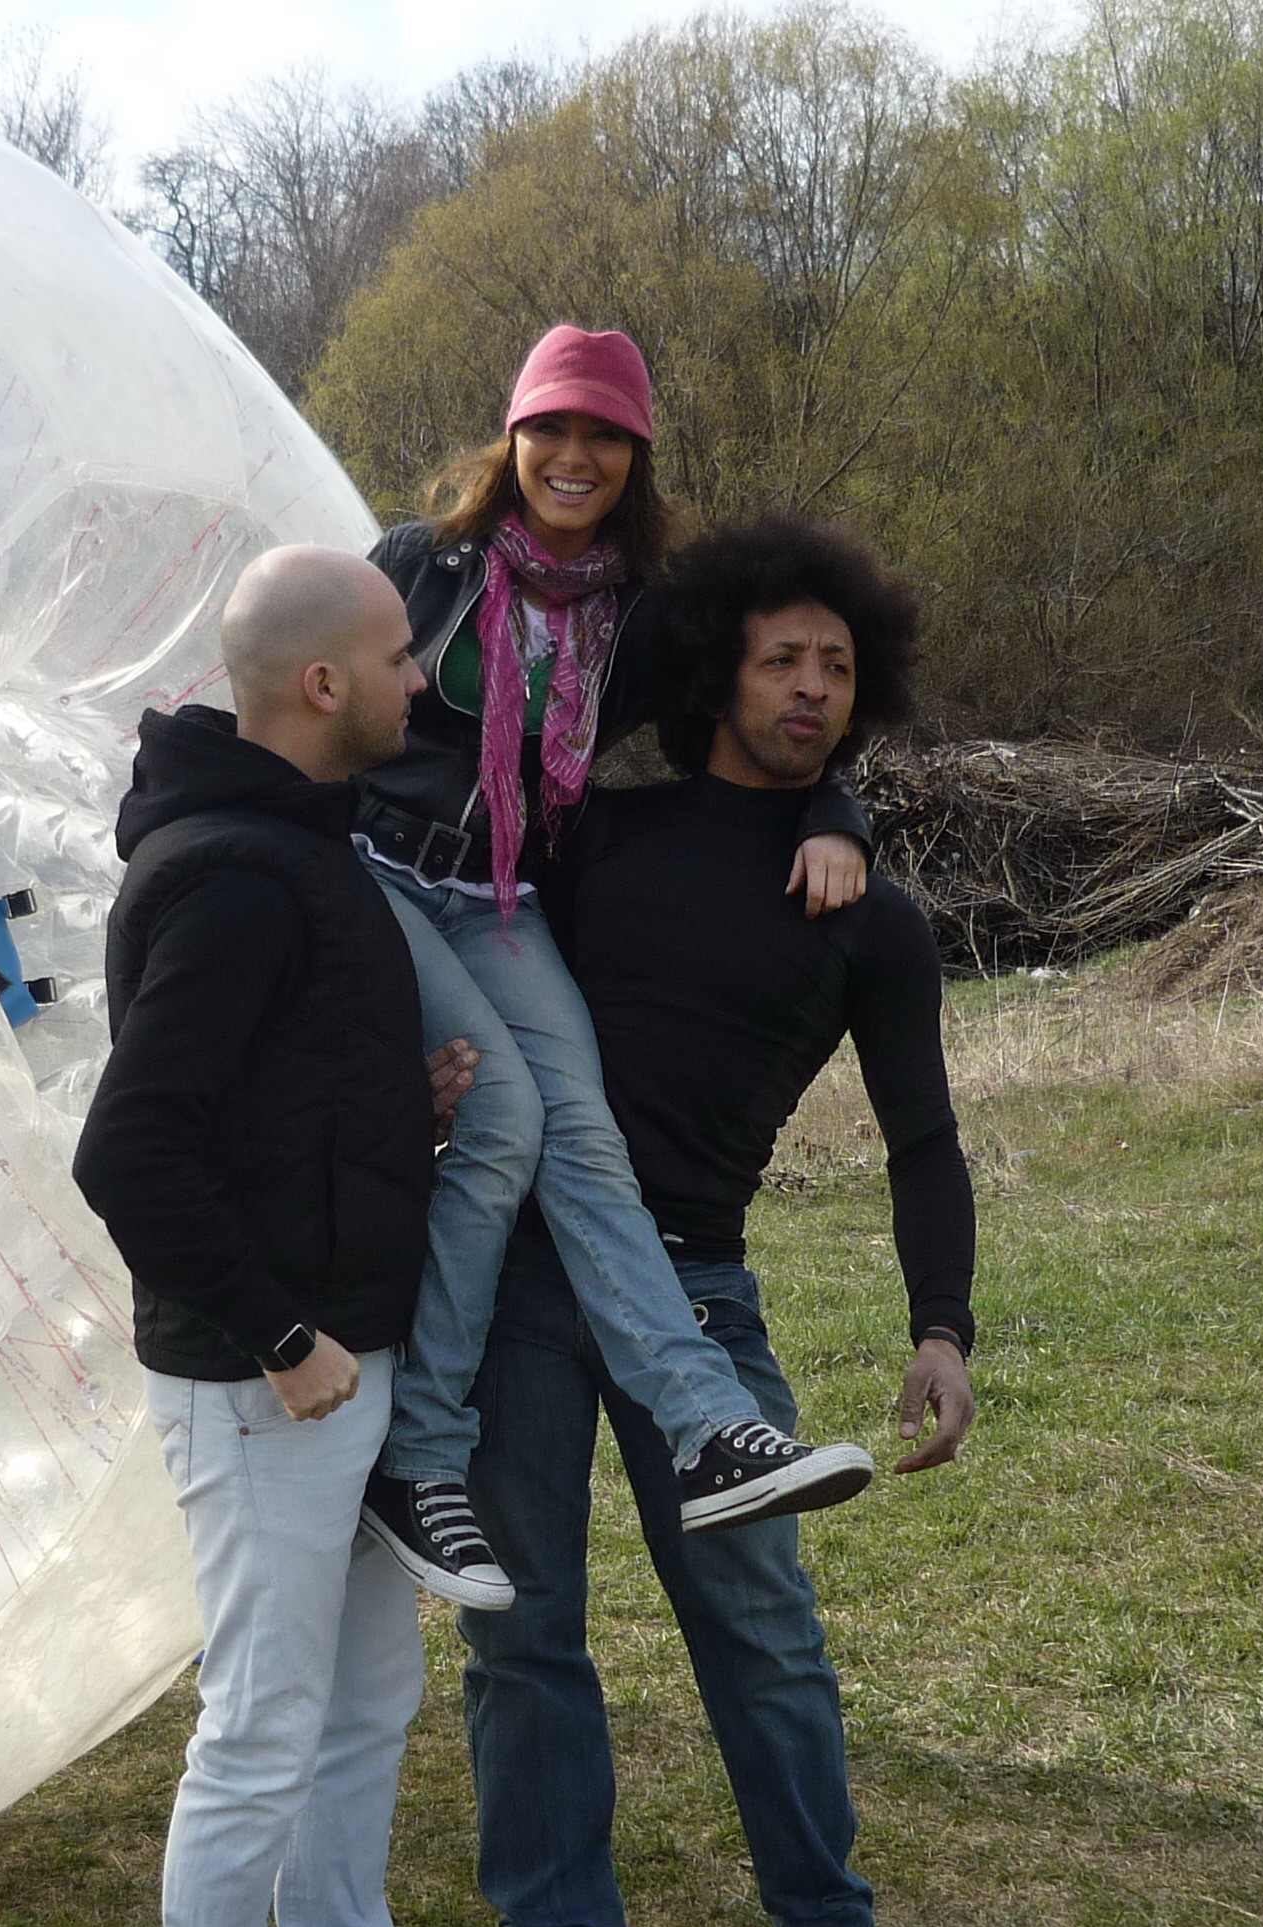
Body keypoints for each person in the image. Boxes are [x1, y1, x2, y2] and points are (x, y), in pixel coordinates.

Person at [455, 514, 979, 1927]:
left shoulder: (865, 913)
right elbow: (491, 791)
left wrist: (941, 1327)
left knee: (761, 1632)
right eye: (778, 661)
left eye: (834, 668)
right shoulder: (599, 838)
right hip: (534, 1285)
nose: (809, 687)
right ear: (720, 671)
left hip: (698, 1301)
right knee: (523, 1632)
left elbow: (926, 1136)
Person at [71, 545, 525, 1927]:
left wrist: (396, 1113)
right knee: (262, 1726)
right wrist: (278, 1334)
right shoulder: (233, 872)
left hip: (342, 1365)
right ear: (322, 683)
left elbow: (255, 1111)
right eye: (404, 657)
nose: (427, 683)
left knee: (361, 1707)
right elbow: (131, 1152)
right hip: (268, 1382)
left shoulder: (300, 854)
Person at [349, 325, 879, 1617]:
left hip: (499, 897)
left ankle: (708, 1430)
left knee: (583, 1134)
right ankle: (418, 1461)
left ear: (633, 458)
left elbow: (768, 716)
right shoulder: (423, 566)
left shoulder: (643, 610)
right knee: (506, 1120)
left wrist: (838, 815)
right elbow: (306, 697)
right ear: (513, 436)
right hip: (371, 868)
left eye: (603, 436)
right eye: (554, 429)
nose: (573, 456)